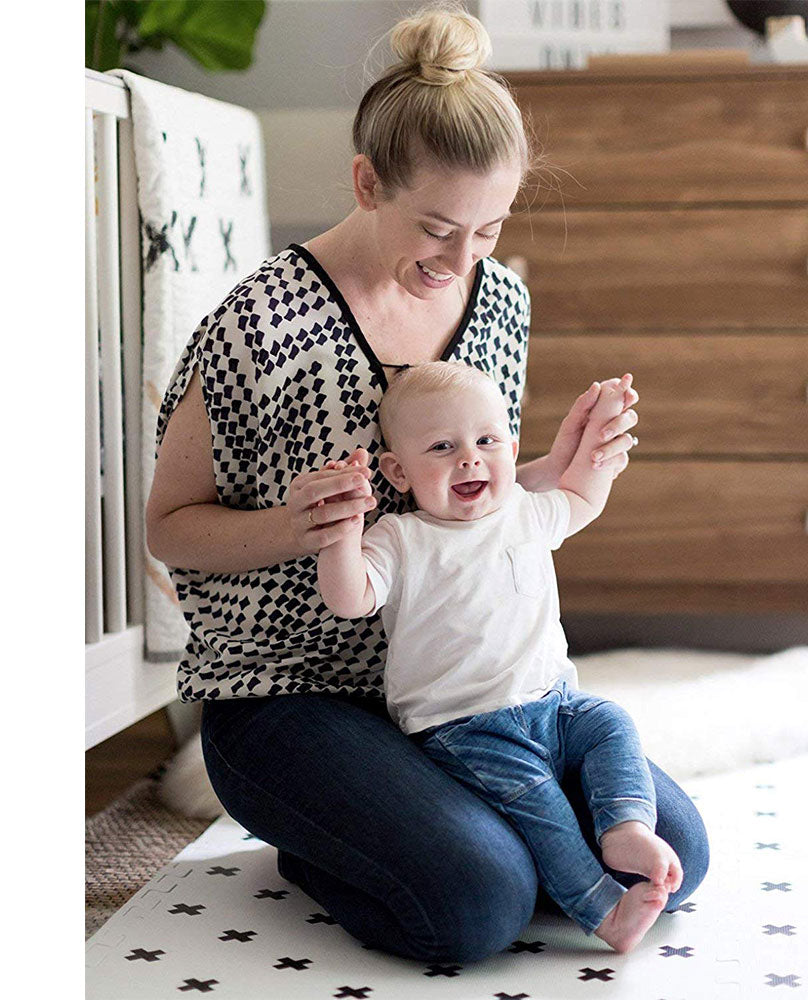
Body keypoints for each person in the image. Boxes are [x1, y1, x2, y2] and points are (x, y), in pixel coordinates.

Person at [145, 2, 708, 963]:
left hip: (471, 693)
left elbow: (465, 509)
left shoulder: (499, 300)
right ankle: (322, 844)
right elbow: (169, 528)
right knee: (479, 904)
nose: (459, 264)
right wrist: (302, 526)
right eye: (438, 230)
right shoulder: (261, 325)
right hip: (294, 694)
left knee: (675, 854)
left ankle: (423, 826)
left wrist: (561, 471)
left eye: (488, 231)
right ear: (368, 182)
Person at [318, 360, 684, 953]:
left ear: (512, 449)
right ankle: (603, 911)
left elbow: (581, 499)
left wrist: (598, 439)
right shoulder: (400, 537)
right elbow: (350, 599)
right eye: (442, 447)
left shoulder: (522, 508)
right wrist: (341, 532)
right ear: (397, 471)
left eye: (486, 441)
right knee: (544, 809)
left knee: (612, 720)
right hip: (465, 727)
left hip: (556, 706)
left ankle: (625, 827)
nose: (469, 458)